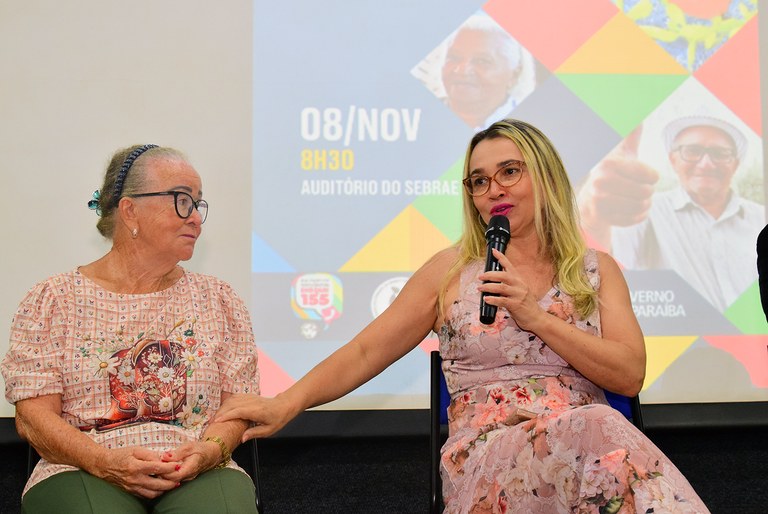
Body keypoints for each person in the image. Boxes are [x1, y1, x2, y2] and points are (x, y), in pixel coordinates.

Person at [215, 120, 710, 513]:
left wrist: (537, 318)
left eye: (509, 171)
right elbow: (367, 349)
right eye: (479, 180)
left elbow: (629, 374)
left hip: (586, 454)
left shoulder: (596, 271)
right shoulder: (450, 272)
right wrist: (287, 403)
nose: (493, 188)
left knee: (597, 439)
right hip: (490, 463)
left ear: (546, 176)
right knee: (598, 430)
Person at [1, 144, 260, 513]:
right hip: (80, 466)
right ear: (130, 210)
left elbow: (238, 405)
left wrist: (208, 451)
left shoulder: (218, 299)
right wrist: (104, 462)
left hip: (197, 466)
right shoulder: (53, 299)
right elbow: (33, 418)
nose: (196, 219)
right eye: (182, 201)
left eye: (198, 204)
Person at [578, 115, 764, 312]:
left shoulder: (760, 217)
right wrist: (593, 214)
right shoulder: (642, 212)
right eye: (692, 151)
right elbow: (601, 258)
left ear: (735, 163)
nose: (706, 163)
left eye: (720, 153)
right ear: (673, 160)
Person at [440, 14, 536, 130]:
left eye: (481, 61)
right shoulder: (423, 115)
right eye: (454, 58)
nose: (462, 71)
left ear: (514, 75)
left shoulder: (532, 123)